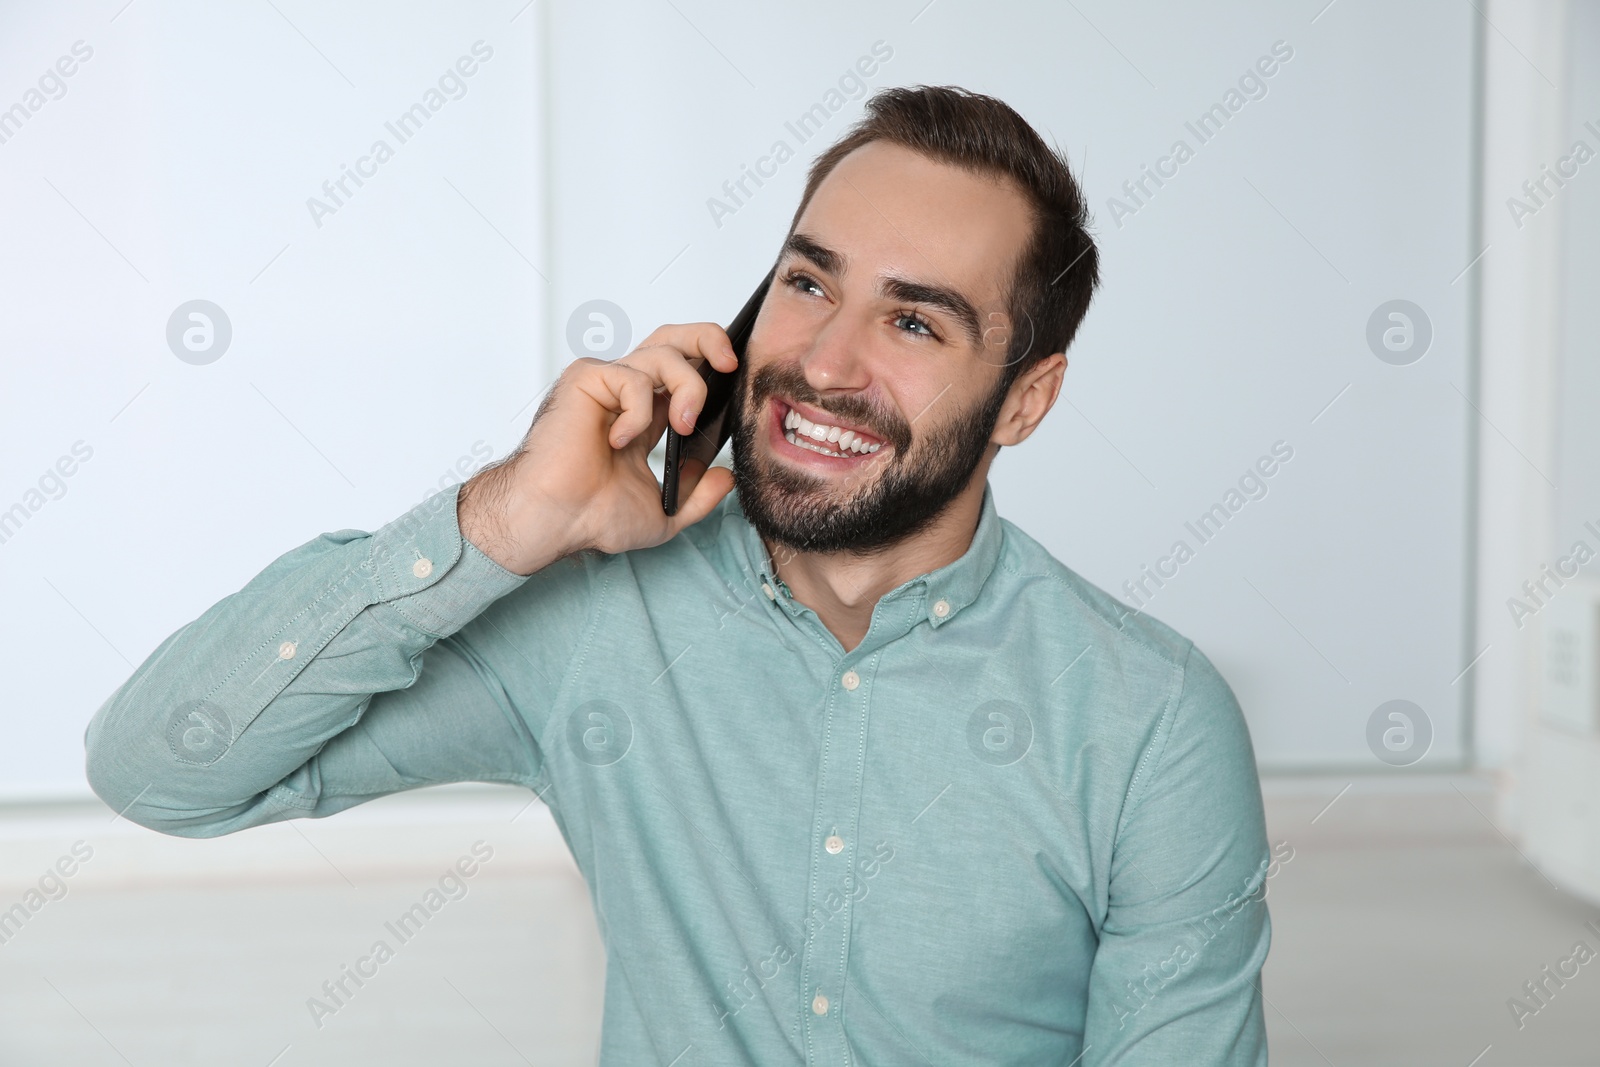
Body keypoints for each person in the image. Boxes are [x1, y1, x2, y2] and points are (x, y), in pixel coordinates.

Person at [86, 85, 1271, 1064]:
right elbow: (162, 770)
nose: (821, 361)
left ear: (1025, 397)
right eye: (809, 283)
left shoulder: (1147, 719)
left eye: (914, 325)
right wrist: (508, 517)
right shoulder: (597, 618)